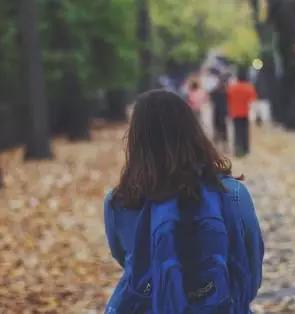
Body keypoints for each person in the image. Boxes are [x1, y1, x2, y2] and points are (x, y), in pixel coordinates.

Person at [104, 90, 264, 314]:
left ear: (136, 139)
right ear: (193, 132)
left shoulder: (119, 202)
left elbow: (131, 262)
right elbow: (251, 270)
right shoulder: (233, 195)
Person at [227, 67, 257, 157]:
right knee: (245, 131)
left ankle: (238, 150)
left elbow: (228, 99)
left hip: (235, 113)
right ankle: (246, 149)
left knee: (237, 132)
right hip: (245, 112)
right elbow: (253, 100)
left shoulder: (232, 88)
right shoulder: (249, 88)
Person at [210, 76, 229, 152]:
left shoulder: (215, 92)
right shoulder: (226, 92)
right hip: (222, 113)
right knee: (223, 130)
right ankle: (223, 147)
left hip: (217, 112)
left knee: (218, 129)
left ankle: (218, 147)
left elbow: (211, 97)